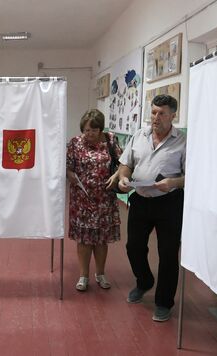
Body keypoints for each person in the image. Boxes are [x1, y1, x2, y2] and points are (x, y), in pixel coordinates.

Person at [116, 94, 186, 322]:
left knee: (167, 254)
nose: (155, 117)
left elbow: (192, 176)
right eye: (153, 112)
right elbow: (126, 164)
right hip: (140, 199)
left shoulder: (183, 142)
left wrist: (173, 183)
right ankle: (144, 281)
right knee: (133, 247)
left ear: (173, 115)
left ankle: (164, 302)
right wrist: (123, 180)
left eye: (161, 113)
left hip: (169, 203)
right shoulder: (139, 135)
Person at [66, 109, 122, 291]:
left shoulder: (111, 140)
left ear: (100, 129)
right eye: (86, 130)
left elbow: (123, 163)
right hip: (82, 199)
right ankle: (83, 276)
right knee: (84, 239)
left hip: (105, 199)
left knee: (101, 239)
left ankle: (100, 273)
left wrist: (116, 176)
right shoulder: (75, 143)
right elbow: (66, 167)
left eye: (93, 130)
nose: (88, 134)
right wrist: (70, 175)